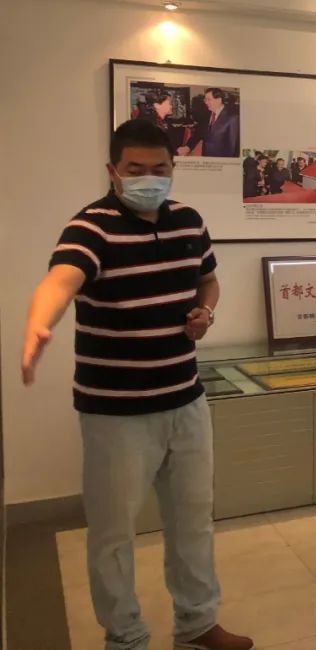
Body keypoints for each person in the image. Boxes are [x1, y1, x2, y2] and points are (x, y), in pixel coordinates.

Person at [20, 120, 252, 650]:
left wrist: (205, 312)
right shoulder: (91, 227)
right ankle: (124, 637)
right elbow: (61, 279)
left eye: (159, 169)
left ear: (173, 169)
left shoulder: (189, 220)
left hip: (186, 400)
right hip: (115, 412)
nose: (149, 178)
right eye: (135, 169)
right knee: (113, 534)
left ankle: (197, 624)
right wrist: (40, 320)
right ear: (113, 171)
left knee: (193, 520)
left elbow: (208, 279)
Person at [199, 89, 240, 158]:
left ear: (219, 100)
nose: (206, 102)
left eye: (209, 99)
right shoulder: (206, 114)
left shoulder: (232, 118)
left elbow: (233, 148)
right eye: (205, 100)